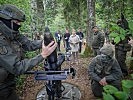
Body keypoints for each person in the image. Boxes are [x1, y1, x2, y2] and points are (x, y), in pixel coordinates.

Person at [0, 4, 57, 100]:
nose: (19, 25)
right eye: (17, 22)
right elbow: (17, 67)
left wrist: (45, 42)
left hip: (8, 81)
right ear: (6, 20)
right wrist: (42, 55)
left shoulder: (12, 33)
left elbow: (28, 44)